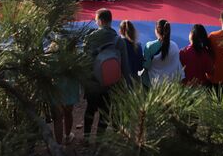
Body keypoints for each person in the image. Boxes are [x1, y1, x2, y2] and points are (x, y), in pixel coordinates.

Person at [83, 9, 131, 138]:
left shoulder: (90, 38)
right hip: (111, 83)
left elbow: (85, 61)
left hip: (93, 82)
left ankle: (86, 138)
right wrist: (127, 85)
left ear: (100, 21)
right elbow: (125, 66)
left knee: (90, 110)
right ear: (110, 20)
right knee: (105, 112)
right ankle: (99, 140)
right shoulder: (118, 40)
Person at [47, 41, 80, 145]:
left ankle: (58, 144)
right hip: (70, 90)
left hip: (56, 91)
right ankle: (67, 136)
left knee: (58, 118)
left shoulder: (50, 58)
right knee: (68, 113)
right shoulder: (73, 58)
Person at [142, 19, 183, 86]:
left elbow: (146, 66)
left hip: (153, 85)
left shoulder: (150, 46)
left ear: (156, 30)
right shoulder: (175, 46)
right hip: (171, 85)